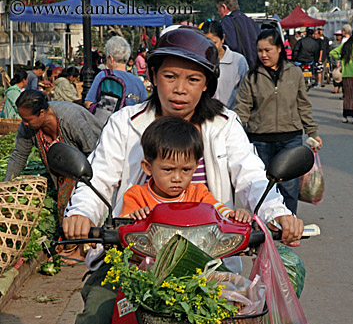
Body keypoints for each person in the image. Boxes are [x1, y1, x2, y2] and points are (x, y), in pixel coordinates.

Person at [63, 27, 304, 324]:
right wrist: (82, 214)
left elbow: (252, 176)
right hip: (134, 259)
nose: (179, 88)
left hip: (205, 261)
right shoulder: (126, 123)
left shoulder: (225, 126)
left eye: (192, 79)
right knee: (96, 312)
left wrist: (277, 215)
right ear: (151, 77)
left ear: (207, 86)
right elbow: (100, 177)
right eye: (169, 76)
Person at [234, 28, 322, 222]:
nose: (263, 55)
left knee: (289, 187)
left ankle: (289, 226)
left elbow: (303, 104)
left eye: (268, 50)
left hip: (289, 138)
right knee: (262, 186)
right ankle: (264, 226)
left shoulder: (294, 72)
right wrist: (234, 132)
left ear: (279, 49)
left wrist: (312, 132)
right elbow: (242, 108)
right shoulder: (252, 76)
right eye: (259, 51)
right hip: (260, 139)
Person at [122, 116, 250, 224]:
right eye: (168, 170)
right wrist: (136, 219)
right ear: (148, 167)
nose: (177, 178)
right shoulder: (136, 197)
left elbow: (218, 210)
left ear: (195, 166)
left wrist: (234, 215)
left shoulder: (198, 194)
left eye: (186, 170)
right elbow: (123, 224)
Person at [5, 90, 103, 225]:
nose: (24, 123)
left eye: (27, 120)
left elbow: (94, 154)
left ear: (41, 113)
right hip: (65, 179)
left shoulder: (71, 119)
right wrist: (6, 186)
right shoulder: (28, 127)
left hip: (90, 173)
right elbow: (19, 155)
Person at [84, 36, 147, 111]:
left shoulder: (103, 76)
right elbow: (145, 107)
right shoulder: (138, 81)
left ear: (111, 58)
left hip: (108, 121)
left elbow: (88, 103)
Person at [201, 20, 248, 109]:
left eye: (214, 43)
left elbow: (245, 94)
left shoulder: (238, 60)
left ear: (222, 39)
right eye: (206, 42)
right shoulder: (201, 60)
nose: (211, 46)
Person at [215, 0, 259, 68]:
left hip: (239, 68)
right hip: (256, 69)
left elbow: (232, 46)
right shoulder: (251, 21)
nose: (218, 13)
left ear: (224, 7)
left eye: (218, 9)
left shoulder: (227, 21)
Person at [329, 26, 353, 124]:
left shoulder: (345, 44)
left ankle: (345, 116)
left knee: (347, 95)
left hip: (345, 73)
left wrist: (341, 58)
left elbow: (333, 52)